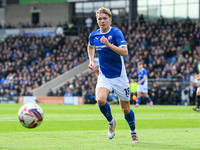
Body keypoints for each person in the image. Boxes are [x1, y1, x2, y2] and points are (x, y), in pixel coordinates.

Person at [87, 7, 138, 143]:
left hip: (119, 76)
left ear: (110, 19)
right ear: (97, 21)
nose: (102, 21)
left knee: (125, 109)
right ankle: (111, 121)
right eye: (100, 19)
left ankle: (133, 132)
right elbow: (90, 46)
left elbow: (125, 52)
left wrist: (108, 44)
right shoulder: (94, 35)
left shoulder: (116, 33)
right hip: (104, 76)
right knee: (100, 100)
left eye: (105, 18)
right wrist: (91, 61)